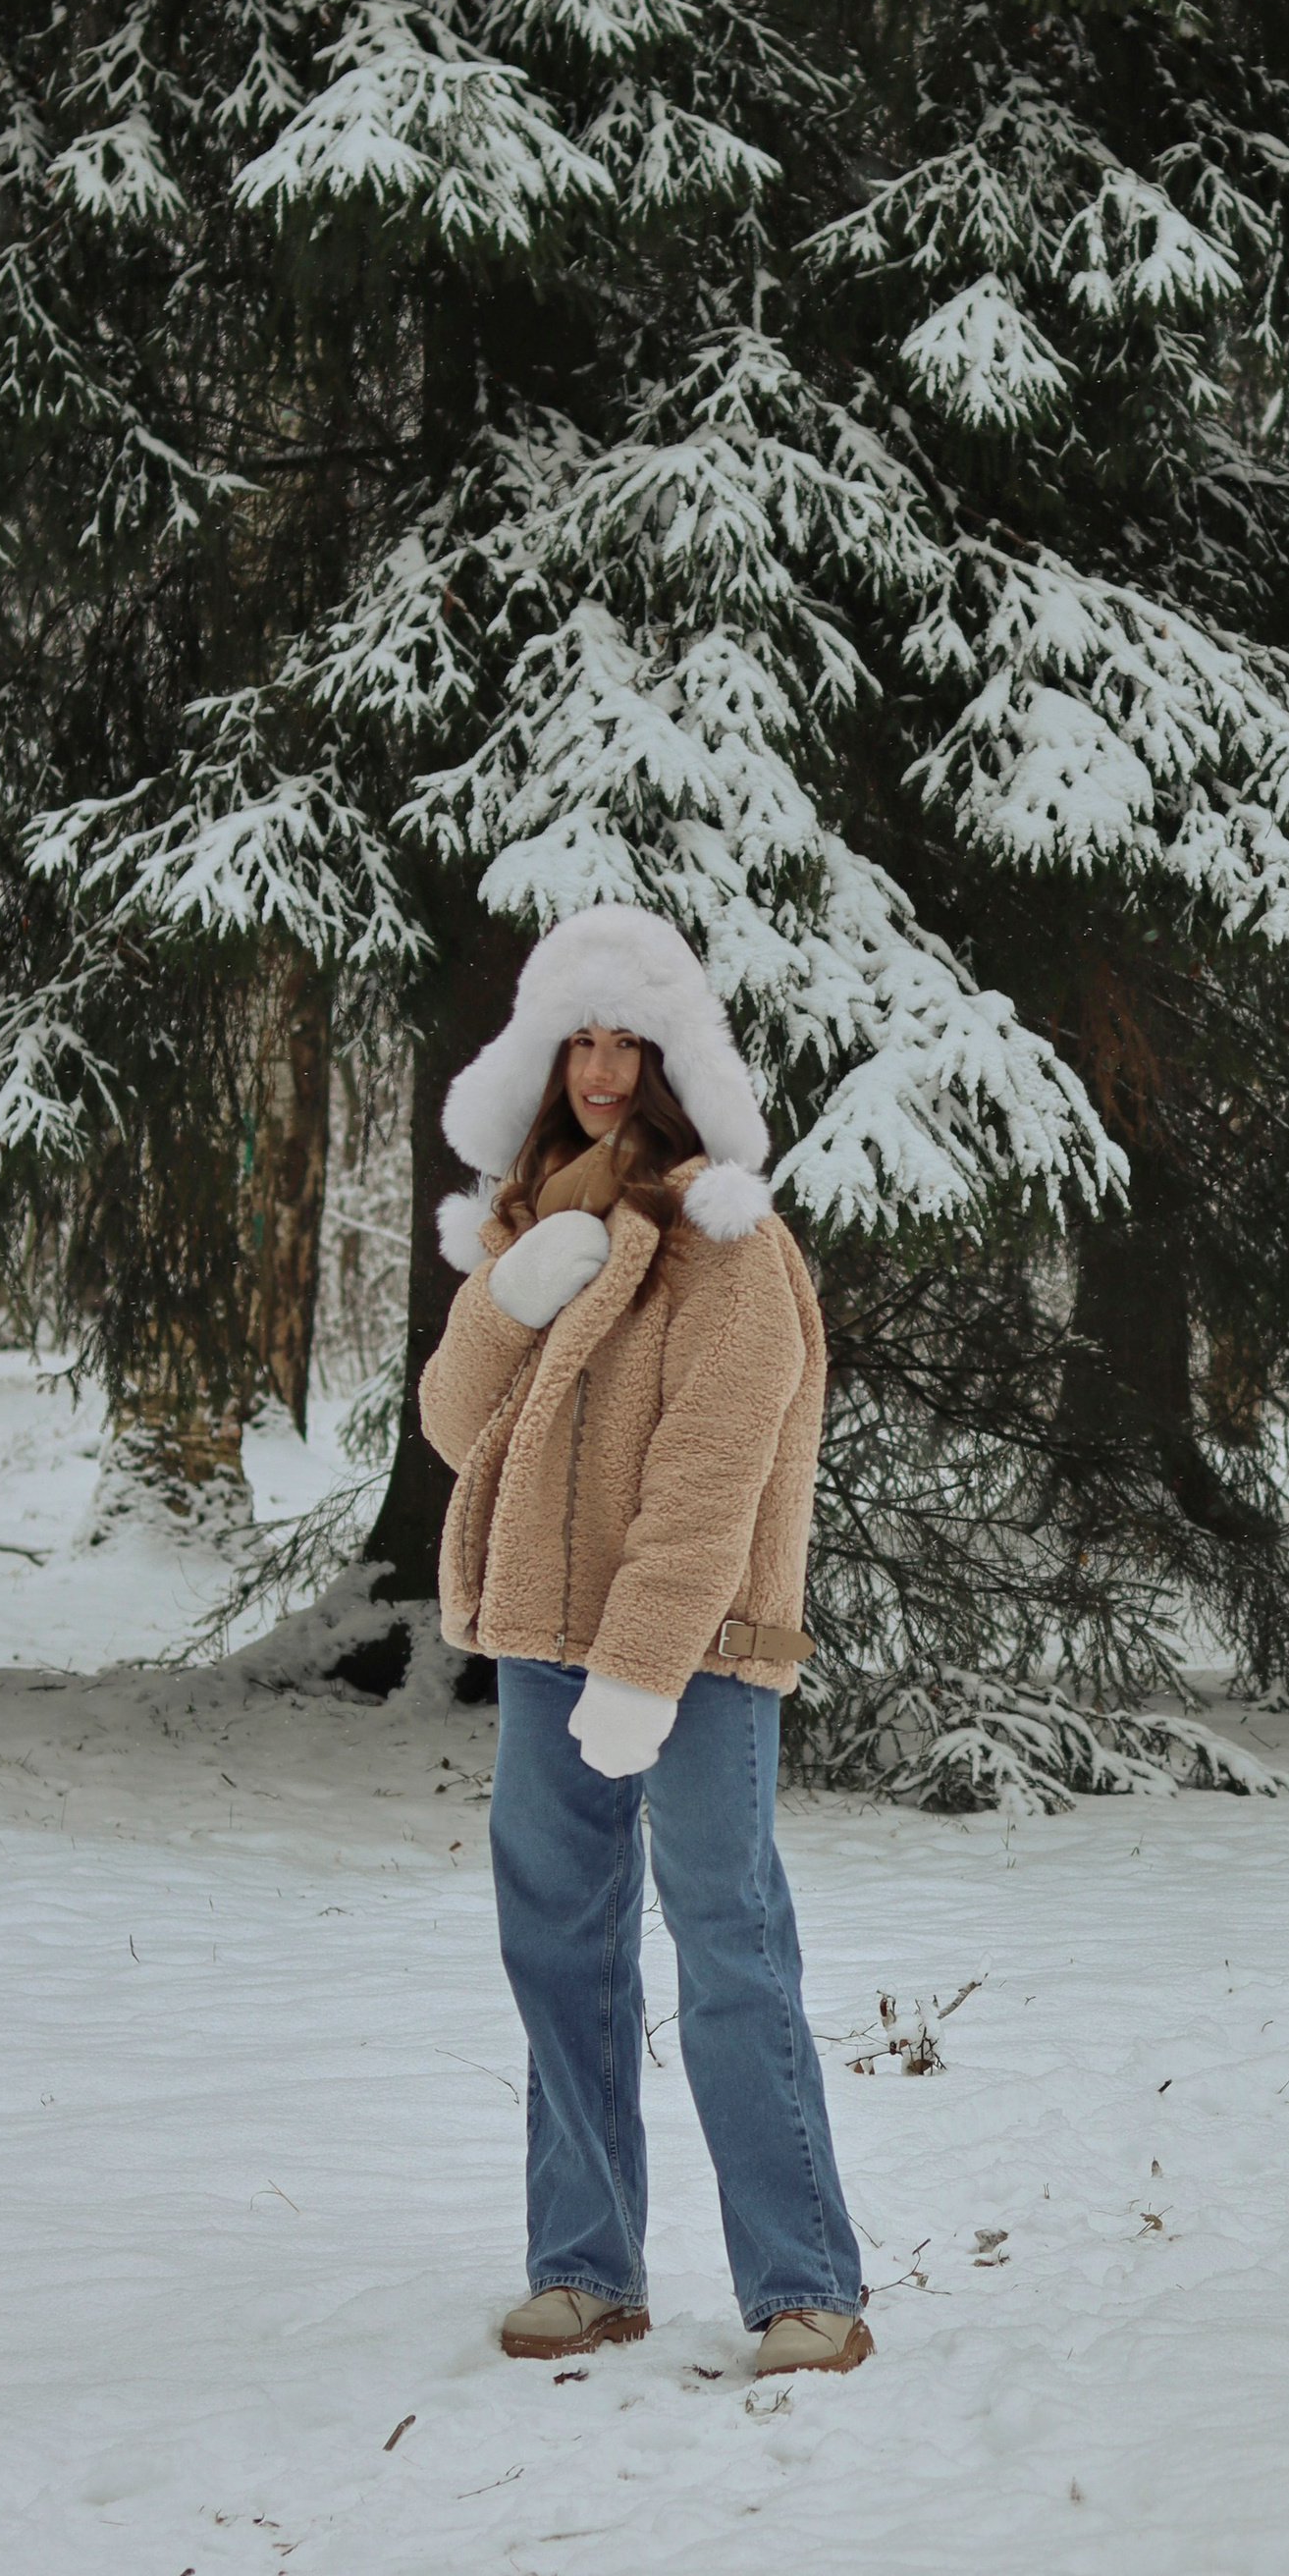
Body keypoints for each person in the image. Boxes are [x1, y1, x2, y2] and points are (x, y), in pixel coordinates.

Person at [419, 903, 870, 2377]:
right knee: (558, 1948)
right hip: (548, 1640)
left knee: (729, 1949)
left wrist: (645, 1662)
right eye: (581, 1042)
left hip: (698, 1651)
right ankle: (587, 2268)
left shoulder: (728, 1246)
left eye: (629, 1042)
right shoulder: (532, 1226)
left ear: (672, 1060)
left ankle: (805, 2286)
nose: (604, 1071)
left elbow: (719, 1469)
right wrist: (517, 1287)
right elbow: (449, 1425)